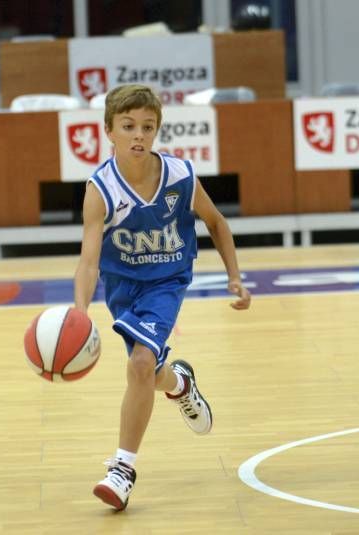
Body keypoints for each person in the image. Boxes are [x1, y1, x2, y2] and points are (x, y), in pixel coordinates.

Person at [73, 84, 252, 510]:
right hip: (122, 288)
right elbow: (88, 260)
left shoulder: (180, 176)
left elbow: (217, 222)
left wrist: (235, 277)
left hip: (166, 282)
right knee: (147, 374)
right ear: (108, 131)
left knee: (138, 364)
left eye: (148, 127)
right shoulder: (101, 189)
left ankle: (122, 470)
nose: (139, 135)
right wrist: (79, 312)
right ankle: (181, 383)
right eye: (129, 126)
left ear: (157, 131)